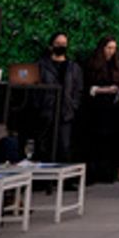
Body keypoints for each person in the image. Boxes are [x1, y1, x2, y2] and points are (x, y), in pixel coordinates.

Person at [83, 37, 119, 183]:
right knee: (94, 140)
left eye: (114, 48)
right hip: (95, 106)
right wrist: (105, 89)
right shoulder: (92, 64)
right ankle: (91, 173)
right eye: (109, 48)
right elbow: (88, 87)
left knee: (108, 141)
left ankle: (105, 172)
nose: (111, 51)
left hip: (111, 107)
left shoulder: (116, 64)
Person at [38, 32, 83, 161]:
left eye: (64, 44)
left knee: (64, 146)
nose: (61, 46)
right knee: (44, 146)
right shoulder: (42, 65)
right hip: (47, 112)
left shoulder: (73, 67)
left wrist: (73, 105)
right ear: (51, 45)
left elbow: (78, 89)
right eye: (58, 43)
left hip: (66, 112)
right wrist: (41, 104)